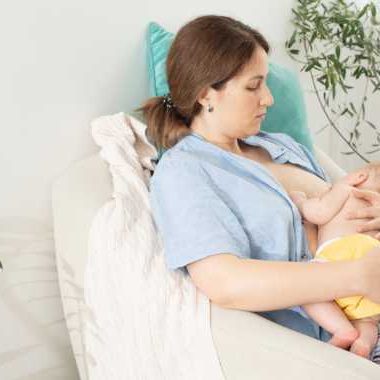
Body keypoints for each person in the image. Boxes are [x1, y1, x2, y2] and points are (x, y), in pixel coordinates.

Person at [139, 15, 380, 360]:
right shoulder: (185, 172)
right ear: (206, 94)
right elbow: (225, 282)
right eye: (254, 86)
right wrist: (358, 276)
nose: (268, 99)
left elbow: (339, 216)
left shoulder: (282, 146)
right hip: (338, 344)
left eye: (265, 84)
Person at [289, 163, 380, 360]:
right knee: (368, 320)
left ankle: (343, 330)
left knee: (307, 287)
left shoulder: (347, 190)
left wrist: (301, 202)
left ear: (359, 176)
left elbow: (318, 213)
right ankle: (364, 343)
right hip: (374, 265)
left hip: (345, 251)